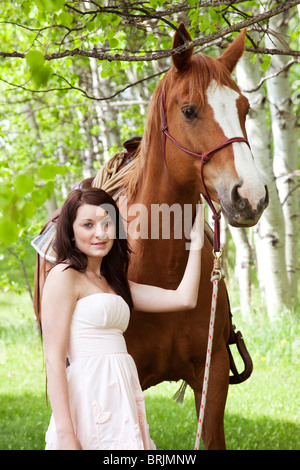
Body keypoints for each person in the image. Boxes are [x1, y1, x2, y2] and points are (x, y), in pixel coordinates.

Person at [41, 187, 204, 450]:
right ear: (70, 232)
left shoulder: (116, 283)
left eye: (107, 223)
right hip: (90, 390)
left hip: (122, 389)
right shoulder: (64, 275)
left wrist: (196, 242)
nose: (100, 233)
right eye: (88, 224)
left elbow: (184, 298)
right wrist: (66, 433)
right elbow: (54, 358)